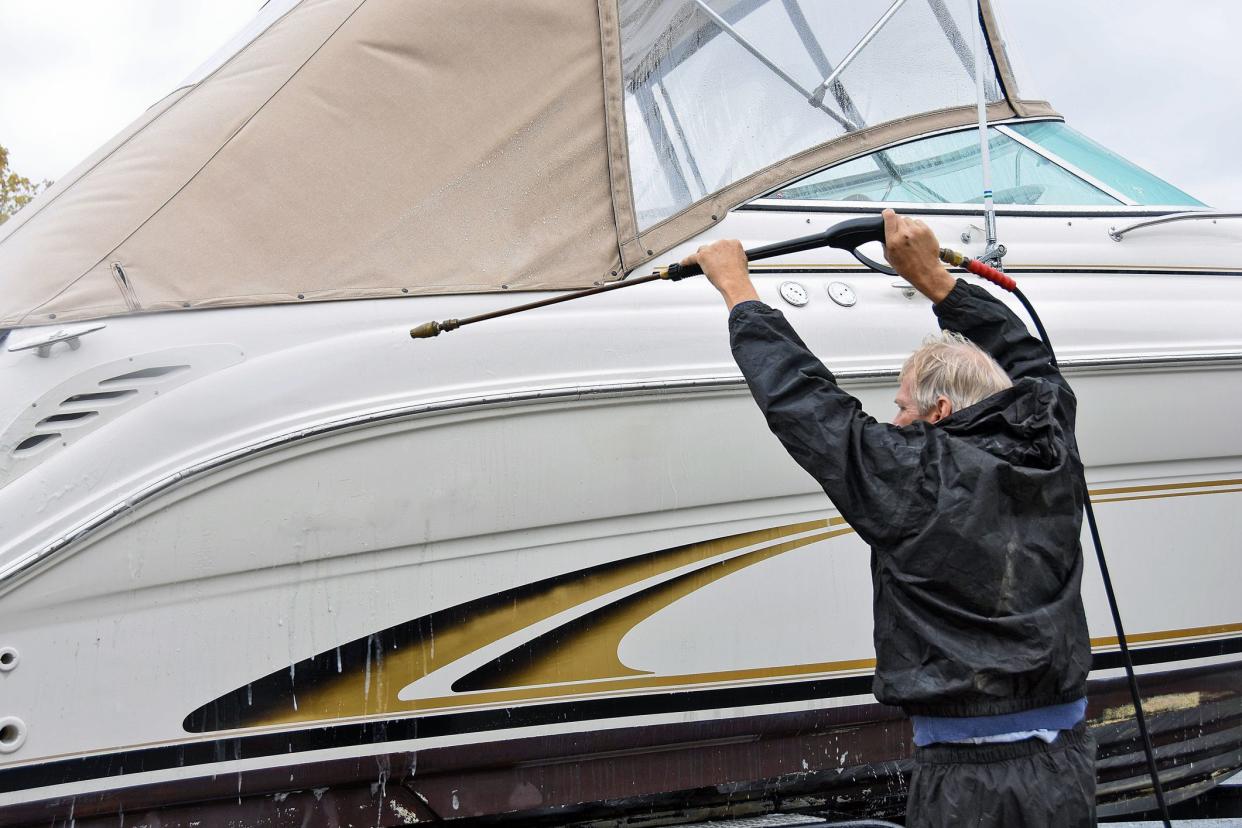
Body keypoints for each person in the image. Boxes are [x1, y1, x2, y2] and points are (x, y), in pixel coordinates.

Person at [681, 209, 1095, 827]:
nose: (894, 420)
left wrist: (738, 291)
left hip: (968, 783)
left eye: (901, 407)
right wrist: (934, 279)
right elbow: (1030, 364)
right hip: (1067, 767)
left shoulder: (915, 478)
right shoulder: (1053, 444)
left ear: (941, 409)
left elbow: (808, 407)